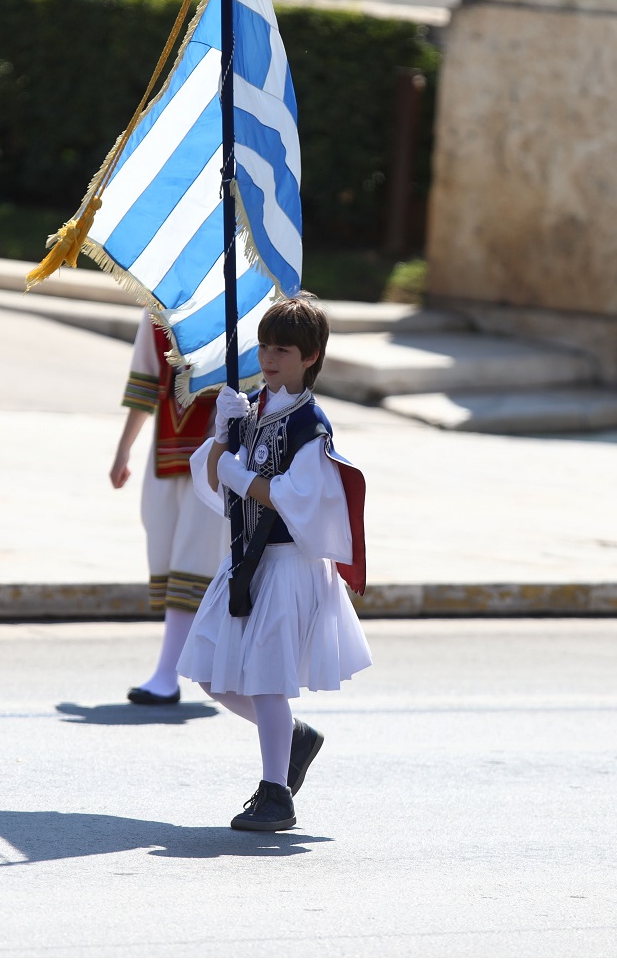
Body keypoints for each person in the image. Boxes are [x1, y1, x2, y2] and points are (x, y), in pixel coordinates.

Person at [178, 295, 371, 831]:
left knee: (265, 681)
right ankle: (294, 737)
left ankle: (275, 794)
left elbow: (294, 499)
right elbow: (215, 480)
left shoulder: (311, 425)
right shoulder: (253, 408)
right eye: (263, 346)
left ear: (310, 357)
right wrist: (221, 437)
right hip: (245, 558)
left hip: (286, 564)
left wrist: (241, 475)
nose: (267, 357)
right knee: (212, 676)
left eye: (282, 349)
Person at [111, 310, 226, 705]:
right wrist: (124, 447)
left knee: (193, 559)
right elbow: (146, 379)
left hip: (218, 453)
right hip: (166, 451)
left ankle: (168, 673)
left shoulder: (241, 294)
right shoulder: (155, 303)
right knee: (164, 547)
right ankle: (186, 666)